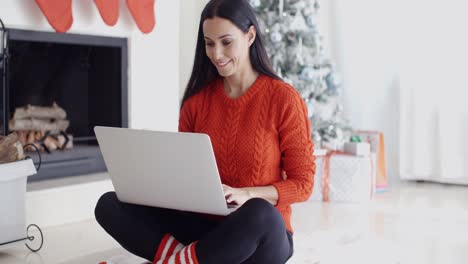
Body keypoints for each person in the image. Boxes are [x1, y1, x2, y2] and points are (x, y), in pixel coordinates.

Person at [94, 0, 315, 263]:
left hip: (258, 235)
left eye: (226, 42)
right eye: (209, 43)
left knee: (259, 212)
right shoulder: (196, 103)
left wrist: (247, 193)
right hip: (204, 229)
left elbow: (303, 184)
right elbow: (186, 175)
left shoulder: (283, 99)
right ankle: (188, 259)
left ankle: (181, 257)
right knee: (109, 205)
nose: (217, 54)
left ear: (250, 35)